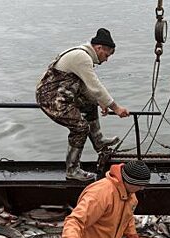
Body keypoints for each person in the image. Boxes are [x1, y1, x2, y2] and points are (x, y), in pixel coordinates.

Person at [36, 28, 130, 181]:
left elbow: (85, 87)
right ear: (98, 48)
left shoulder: (83, 55)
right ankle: (72, 170)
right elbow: (95, 85)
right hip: (51, 99)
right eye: (106, 55)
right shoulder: (82, 57)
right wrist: (116, 108)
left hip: (64, 94)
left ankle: (98, 141)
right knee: (80, 127)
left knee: (90, 103)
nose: (106, 60)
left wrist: (99, 101)